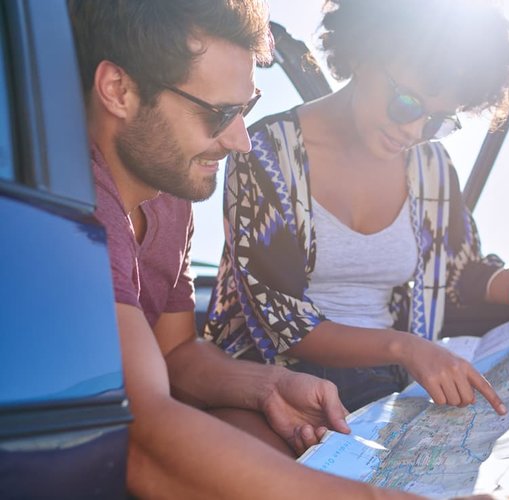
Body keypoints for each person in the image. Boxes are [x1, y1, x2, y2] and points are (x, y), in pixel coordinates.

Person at [68, 0, 440, 497]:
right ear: (118, 90)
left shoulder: (170, 196)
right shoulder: (76, 207)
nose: (241, 141)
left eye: (246, 109)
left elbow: (175, 352)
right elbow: (141, 440)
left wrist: (266, 386)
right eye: (219, 113)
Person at [204, 0, 509, 416]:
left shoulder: (431, 167)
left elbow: (461, 273)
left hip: (387, 383)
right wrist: (406, 348)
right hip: (279, 378)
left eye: (437, 121)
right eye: (408, 104)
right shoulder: (263, 152)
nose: (416, 132)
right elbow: (284, 324)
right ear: (366, 54)